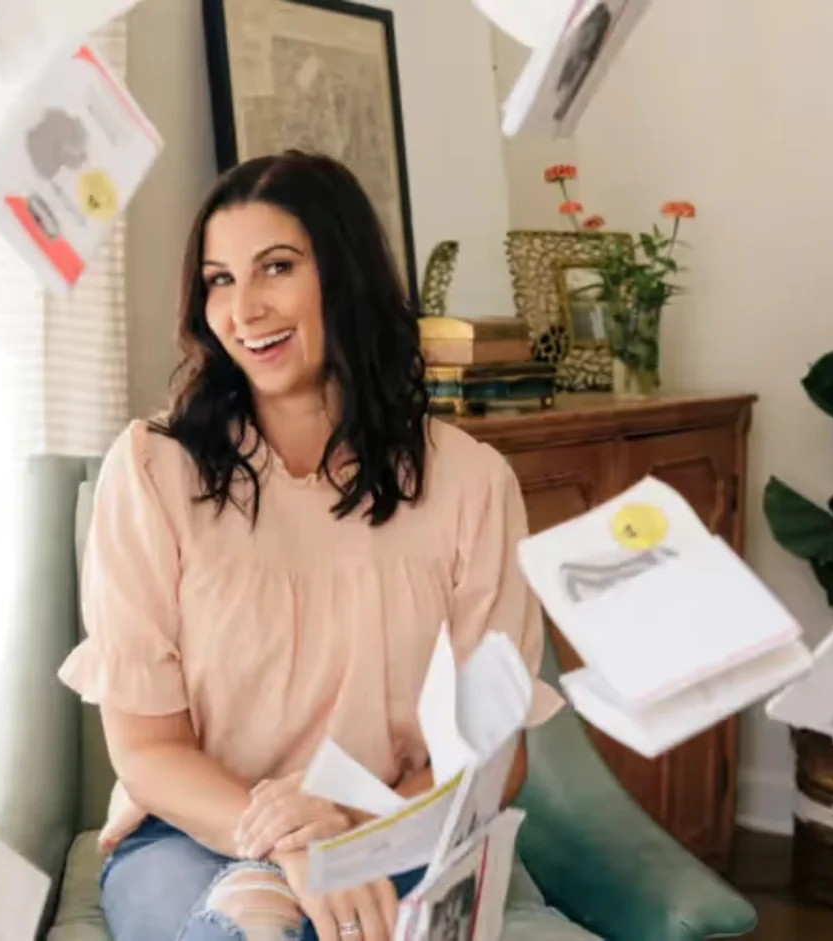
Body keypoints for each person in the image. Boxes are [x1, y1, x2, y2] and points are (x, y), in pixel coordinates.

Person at [57, 151, 564, 941]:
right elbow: (149, 749)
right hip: (192, 834)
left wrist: (343, 824)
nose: (245, 308)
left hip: (394, 825)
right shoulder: (153, 471)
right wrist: (286, 842)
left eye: (277, 268)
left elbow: (495, 752)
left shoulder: (471, 484)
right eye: (220, 279)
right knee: (248, 930)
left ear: (345, 272)